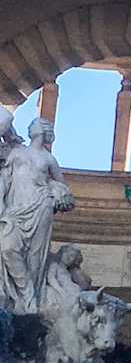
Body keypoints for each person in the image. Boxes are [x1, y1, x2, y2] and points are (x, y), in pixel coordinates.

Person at [0, 116, 75, 314]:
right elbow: (4, 178)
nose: (29, 126)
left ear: (42, 130)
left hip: (41, 208)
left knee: (35, 258)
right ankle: (23, 293)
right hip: (15, 210)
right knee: (7, 247)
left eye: (33, 124)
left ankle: (30, 302)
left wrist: (55, 192)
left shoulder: (49, 159)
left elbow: (65, 191)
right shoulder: (17, 151)